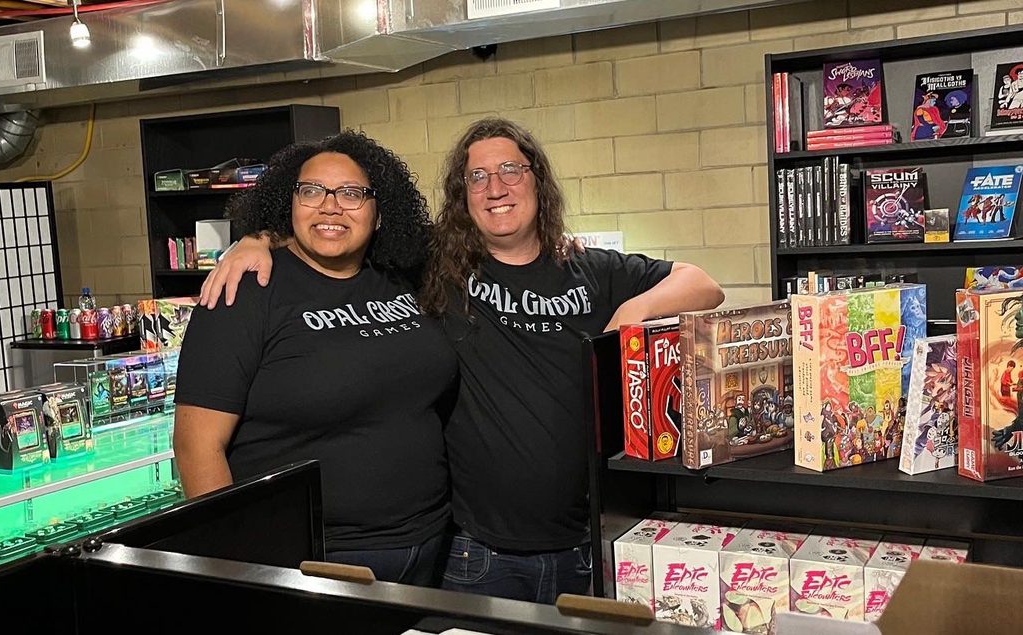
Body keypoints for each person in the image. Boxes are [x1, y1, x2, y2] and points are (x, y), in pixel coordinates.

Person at [200, 118, 724, 603]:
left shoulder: (593, 269)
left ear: (537, 181)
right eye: (477, 177)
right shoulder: (436, 266)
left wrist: (635, 309)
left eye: (510, 170)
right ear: (462, 197)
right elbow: (338, 226)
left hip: (588, 538)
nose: (496, 188)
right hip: (476, 552)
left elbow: (703, 283)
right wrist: (256, 237)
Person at [173, 130, 457, 586]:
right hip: (313, 559)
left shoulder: (401, 275)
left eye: (351, 193)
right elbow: (195, 445)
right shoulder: (246, 291)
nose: (330, 206)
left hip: (431, 544)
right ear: (290, 203)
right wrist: (235, 567)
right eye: (311, 191)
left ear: (380, 212)